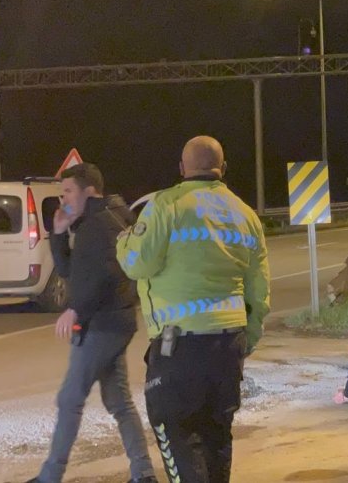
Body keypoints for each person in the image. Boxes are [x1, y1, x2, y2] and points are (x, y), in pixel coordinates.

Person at [116, 136, 271, 483]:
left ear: (182, 168)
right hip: (228, 347)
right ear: (223, 169)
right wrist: (247, 340)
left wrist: (125, 238)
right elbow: (259, 293)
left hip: (180, 350)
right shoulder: (245, 215)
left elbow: (136, 264)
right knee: (217, 436)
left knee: (176, 433)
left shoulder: (166, 205)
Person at [29, 163, 156, 483]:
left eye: (69, 191)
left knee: (70, 399)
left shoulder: (99, 225)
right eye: (61, 193)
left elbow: (107, 274)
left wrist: (76, 310)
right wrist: (59, 234)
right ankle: (143, 473)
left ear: (89, 191)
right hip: (117, 319)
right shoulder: (108, 217)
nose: (63, 199)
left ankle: (50, 476)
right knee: (119, 401)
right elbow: (74, 272)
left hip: (102, 323)